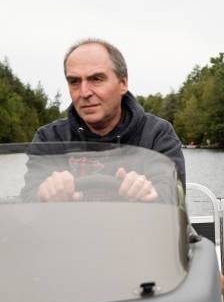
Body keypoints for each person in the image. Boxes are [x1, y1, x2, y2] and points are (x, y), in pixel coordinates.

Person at [30, 38, 185, 202]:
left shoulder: (157, 134)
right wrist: (43, 194)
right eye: (74, 81)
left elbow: (172, 195)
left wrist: (151, 194)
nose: (84, 92)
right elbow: (28, 202)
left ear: (123, 83)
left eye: (96, 79)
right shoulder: (49, 138)